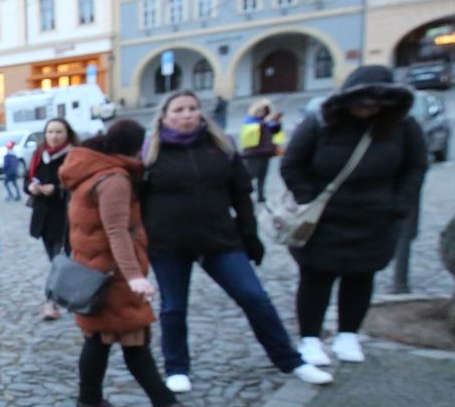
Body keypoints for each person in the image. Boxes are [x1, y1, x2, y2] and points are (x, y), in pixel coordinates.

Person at [142, 90, 333, 391]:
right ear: (165, 116)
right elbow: (138, 202)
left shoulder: (220, 146)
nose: (187, 114)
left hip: (219, 240)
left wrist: (249, 236)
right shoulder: (150, 153)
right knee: (173, 307)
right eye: (178, 110)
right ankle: (177, 368)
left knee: (254, 297)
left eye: (192, 108)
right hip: (169, 244)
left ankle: (290, 360)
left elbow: (241, 195)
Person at [58, 119, 214, 407]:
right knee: (132, 338)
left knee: (100, 338)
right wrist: (134, 276)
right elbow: (117, 231)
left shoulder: (89, 171)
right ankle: (164, 405)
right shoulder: (114, 178)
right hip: (111, 275)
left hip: (96, 270)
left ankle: (90, 401)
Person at [281, 66, 427, 364]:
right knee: (315, 278)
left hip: (375, 217)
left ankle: (349, 334)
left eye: (374, 101)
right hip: (324, 219)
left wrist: (400, 204)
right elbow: (292, 164)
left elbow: (415, 167)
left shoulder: (403, 127)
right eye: (361, 100)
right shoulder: (319, 124)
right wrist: (308, 200)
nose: (366, 107)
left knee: (361, 277)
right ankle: (310, 338)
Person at [28, 117, 78, 320]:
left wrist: (55, 190)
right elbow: (28, 179)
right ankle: (68, 295)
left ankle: (51, 302)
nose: (54, 136)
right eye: (50, 132)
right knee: (55, 260)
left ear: (67, 134)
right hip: (43, 218)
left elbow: (77, 185)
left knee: (59, 260)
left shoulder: (73, 155)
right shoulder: (39, 155)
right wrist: (31, 188)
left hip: (66, 217)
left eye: (59, 132)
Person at [238, 98, 284, 203]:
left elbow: (274, 131)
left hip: (266, 153)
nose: (265, 112)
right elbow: (255, 130)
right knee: (251, 175)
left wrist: (277, 122)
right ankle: (244, 193)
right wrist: (266, 122)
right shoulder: (251, 122)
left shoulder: (266, 122)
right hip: (253, 153)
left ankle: (261, 195)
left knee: (262, 176)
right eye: (263, 110)